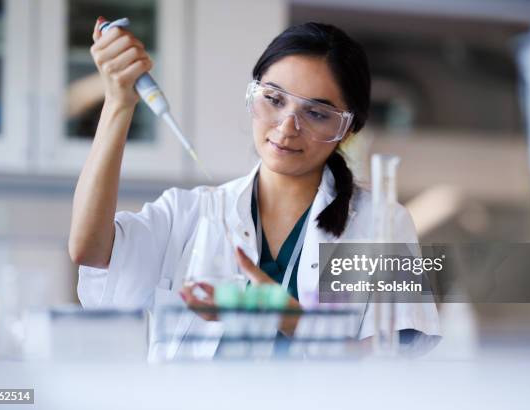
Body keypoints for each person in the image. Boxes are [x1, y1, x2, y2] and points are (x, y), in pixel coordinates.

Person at [69, 17, 440, 359]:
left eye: (316, 113)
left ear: (347, 129)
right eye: (274, 99)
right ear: (253, 96)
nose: (286, 127)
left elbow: (396, 357)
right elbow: (89, 250)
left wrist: (289, 318)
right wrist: (118, 101)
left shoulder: (378, 224)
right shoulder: (191, 214)